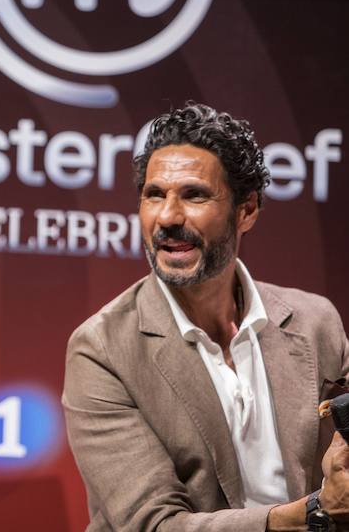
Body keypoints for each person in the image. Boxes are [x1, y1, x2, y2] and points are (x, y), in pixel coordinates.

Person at [63, 101, 349, 531]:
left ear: (246, 210)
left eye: (194, 195)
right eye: (154, 195)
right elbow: (155, 525)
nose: (168, 217)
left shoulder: (316, 320)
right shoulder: (102, 349)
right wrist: (314, 514)